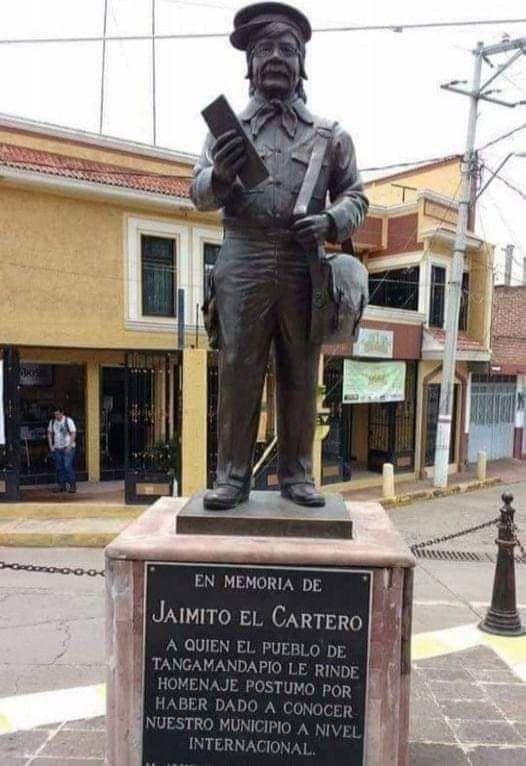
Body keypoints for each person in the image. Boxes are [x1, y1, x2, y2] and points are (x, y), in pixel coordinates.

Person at [191, 1, 368, 510]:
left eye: (286, 50)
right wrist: (220, 176)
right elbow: (198, 193)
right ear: (249, 63)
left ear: (301, 63)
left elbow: (356, 197)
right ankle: (231, 477)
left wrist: (331, 221)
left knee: (299, 372)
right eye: (264, 49)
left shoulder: (329, 135)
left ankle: (297, 475)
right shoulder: (226, 131)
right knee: (238, 371)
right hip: (242, 256)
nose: (275, 57)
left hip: (300, 263)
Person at [48, 407, 77, 493]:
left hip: (68, 447)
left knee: (67, 466)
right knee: (59, 467)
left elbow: (73, 433)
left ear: (62, 413)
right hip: (57, 448)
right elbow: (49, 433)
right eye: (55, 414)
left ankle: (72, 485)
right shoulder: (52, 422)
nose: (56, 416)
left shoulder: (68, 421)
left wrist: (70, 445)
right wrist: (51, 445)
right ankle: (62, 485)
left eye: (58, 414)